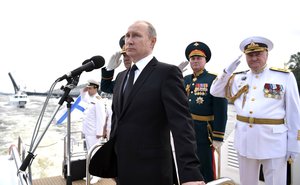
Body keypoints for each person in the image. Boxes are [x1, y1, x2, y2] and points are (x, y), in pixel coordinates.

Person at [109, 20, 205, 185]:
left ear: (152, 41)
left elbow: (182, 125)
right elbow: (117, 120)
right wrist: (111, 160)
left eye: (136, 36)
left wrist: (190, 174)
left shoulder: (166, 73)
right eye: (127, 36)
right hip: (123, 167)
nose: (129, 41)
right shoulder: (121, 77)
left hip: (152, 169)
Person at [210, 36, 300, 185]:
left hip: (274, 142)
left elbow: (294, 113)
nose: (254, 58)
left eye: (258, 54)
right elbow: (215, 91)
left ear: (267, 54)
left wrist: (294, 145)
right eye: (250, 55)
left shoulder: (284, 77)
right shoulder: (238, 78)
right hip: (245, 141)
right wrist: (227, 71)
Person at [183, 41, 228, 182]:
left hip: (205, 131)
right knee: (188, 164)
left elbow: (221, 110)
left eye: (198, 58)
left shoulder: (213, 80)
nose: (195, 61)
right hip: (186, 130)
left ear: (205, 60)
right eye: (192, 58)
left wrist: (218, 136)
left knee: (206, 166)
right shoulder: (185, 79)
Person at [80, 79, 107, 184]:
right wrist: (84, 90)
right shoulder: (90, 99)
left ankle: (97, 175)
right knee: (89, 154)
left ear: (96, 88)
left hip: (94, 133)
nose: (89, 90)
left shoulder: (98, 100)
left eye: (90, 88)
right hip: (88, 131)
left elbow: (101, 117)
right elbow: (83, 97)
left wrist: (100, 132)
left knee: (95, 154)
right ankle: (90, 174)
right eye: (88, 88)